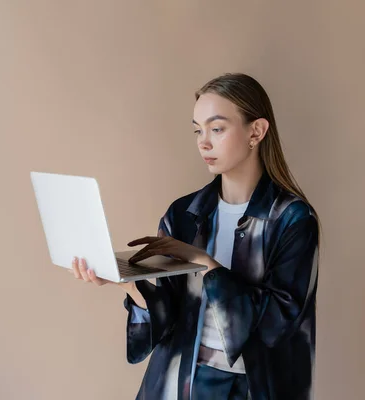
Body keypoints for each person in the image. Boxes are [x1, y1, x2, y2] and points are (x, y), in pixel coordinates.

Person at [72, 73, 320, 400]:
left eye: (216, 129)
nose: (203, 142)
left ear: (256, 131)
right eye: (197, 130)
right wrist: (129, 283)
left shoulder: (292, 220)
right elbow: (169, 318)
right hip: (179, 385)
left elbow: (277, 324)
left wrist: (203, 262)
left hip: (250, 389)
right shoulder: (184, 213)